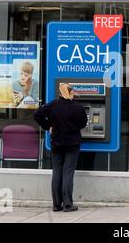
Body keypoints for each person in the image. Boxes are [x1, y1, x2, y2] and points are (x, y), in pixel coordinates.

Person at [34, 83, 88, 212]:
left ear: (60, 93)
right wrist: (73, 128)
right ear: (70, 93)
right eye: (73, 92)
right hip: (72, 143)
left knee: (57, 171)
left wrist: (48, 126)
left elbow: (37, 115)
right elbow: (83, 123)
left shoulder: (53, 105)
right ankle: (68, 204)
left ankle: (56, 204)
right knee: (68, 171)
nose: (74, 94)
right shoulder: (78, 108)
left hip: (57, 143)